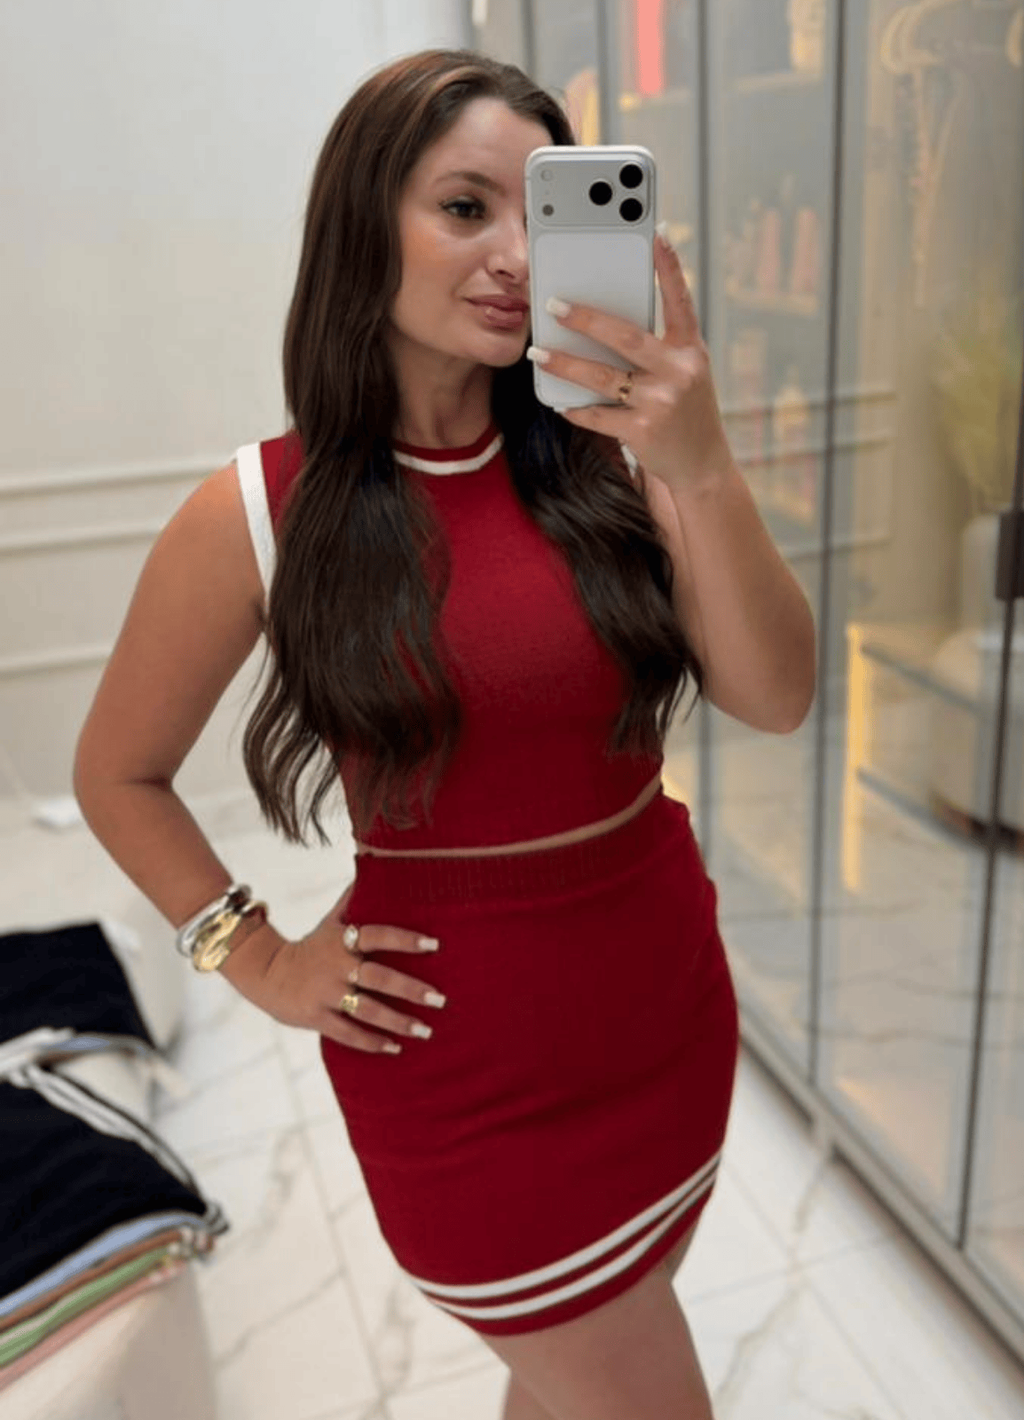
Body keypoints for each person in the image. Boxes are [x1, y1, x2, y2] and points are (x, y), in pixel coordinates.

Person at [73, 48, 815, 1420]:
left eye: (544, 210)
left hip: (667, 1012)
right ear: (365, 225)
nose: (518, 256)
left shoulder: (614, 458)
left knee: (570, 1390)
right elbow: (116, 773)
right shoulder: (260, 509)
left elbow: (776, 696)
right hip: (467, 1086)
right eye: (466, 207)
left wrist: (702, 465)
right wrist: (257, 956)